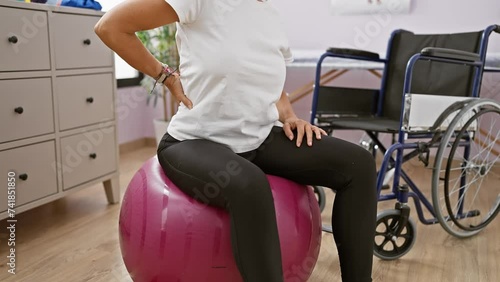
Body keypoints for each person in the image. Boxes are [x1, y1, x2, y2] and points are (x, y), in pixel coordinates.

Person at [95, 0, 377, 281]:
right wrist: (166, 76)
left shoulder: (270, 16)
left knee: (358, 164)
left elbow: (268, 79)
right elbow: (111, 27)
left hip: (258, 138)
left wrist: (289, 116)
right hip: (193, 141)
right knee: (249, 183)